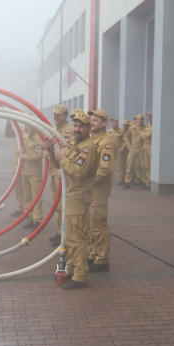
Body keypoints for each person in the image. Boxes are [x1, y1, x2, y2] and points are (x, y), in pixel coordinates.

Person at [51, 109, 99, 289]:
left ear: (88, 128)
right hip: (70, 196)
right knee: (70, 236)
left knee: (76, 238)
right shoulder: (74, 144)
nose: (77, 129)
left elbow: (78, 172)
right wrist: (51, 150)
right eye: (75, 125)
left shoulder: (88, 147)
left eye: (81, 126)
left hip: (78, 197)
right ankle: (71, 269)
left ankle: (80, 275)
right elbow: (61, 165)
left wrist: (63, 159)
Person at [87, 109, 115, 272]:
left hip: (98, 192)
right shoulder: (91, 140)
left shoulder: (106, 143)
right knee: (90, 226)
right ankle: (93, 253)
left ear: (104, 123)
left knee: (98, 226)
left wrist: (84, 180)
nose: (91, 123)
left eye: (95, 120)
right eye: (91, 120)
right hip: (89, 192)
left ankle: (102, 259)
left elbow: (105, 169)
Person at [9, 122, 46, 229]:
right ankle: (31, 218)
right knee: (28, 198)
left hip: (34, 173)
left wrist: (25, 156)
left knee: (36, 198)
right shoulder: (24, 135)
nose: (29, 126)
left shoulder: (38, 137)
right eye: (27, 124)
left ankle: (38, 220)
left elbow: (39, 155)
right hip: (24, 172)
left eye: (30, 124)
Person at [48, 105, 73, 245]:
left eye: (58, 115)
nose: (55, 117)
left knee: (63, 205)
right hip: (54, 171)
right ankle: (59, 232)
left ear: (65, 116)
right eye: (54, 115)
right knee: (57, 205)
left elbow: (67, 152)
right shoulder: (56, 130)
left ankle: (64, 234)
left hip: (61, 172)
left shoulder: (67, 132)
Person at [124, 113, 149, 189]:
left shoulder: (145, 128)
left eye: (142, 119)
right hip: (133, 149)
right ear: (136, 120)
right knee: (130, 166)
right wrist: (129, 146)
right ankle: (127, 182)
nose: (141, 121)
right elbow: (126, 137)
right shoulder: (132, 128)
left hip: (141, 149)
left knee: (143, 166)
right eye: (140, 119)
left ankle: (144, 181)